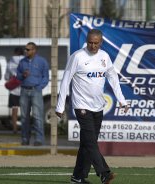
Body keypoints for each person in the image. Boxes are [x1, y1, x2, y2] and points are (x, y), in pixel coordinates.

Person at [56, 29, 128, 184]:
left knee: (87, 144)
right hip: (81, 106)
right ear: (87, 41)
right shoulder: (77, 57)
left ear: (100, 42)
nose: (93, 46)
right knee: (91, 142)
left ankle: (77, 177)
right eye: (90, 42)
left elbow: (113, 78)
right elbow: (65, 80)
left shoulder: (105, 57)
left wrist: (122, 100)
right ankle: (104, 173)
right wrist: (60, 105)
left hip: (98, 107)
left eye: (96, 43)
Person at [16, 42, 49, 146]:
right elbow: (18, 76)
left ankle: (39, 139)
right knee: (24, 117)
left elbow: (45, 77)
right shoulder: (22, 62)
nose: (26, 51)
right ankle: (25, 139)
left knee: (37, 116)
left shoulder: (42, 61)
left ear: (34, 50)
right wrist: (22, 75)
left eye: (28, 49)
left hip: (36, 91)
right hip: (24, 91)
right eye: (25, 49)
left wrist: (39, 87)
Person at [4, 47, 24, 133]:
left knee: (14, 109)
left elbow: (6, 76)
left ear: (15, 53)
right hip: (24, 89)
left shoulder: (10, 63)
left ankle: (15, 128)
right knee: (25, 110)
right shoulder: (26, 62)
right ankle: (25, 128)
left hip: (14, 90)